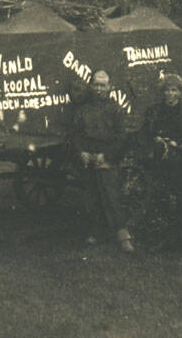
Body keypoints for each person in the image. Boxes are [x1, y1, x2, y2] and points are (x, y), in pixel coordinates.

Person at [72, 70, 134, 253]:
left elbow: (121, 137)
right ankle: (96, 232)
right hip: (88, 158)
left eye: (103, 85)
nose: (99, 89)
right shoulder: (82, 109)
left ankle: (123, 236)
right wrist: (81, 152)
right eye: (96, 85)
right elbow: (75, 134)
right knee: (91, 197)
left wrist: (106, 155)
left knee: (110, 195)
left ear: (109, 87)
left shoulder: (115, 109)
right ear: (91, 86)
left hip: (107, 158)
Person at [141, 73, 182, 253]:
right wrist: (157, 140)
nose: (170, 94)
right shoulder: (153, 111)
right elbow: (144, 135)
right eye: (167, 90)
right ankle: (166, 239)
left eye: (174, 90)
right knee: (163, 201)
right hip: (161, 164)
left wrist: (180, 146)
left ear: (180, 92)